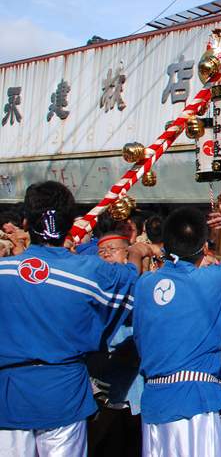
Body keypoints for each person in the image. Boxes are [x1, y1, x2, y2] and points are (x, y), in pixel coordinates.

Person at [0, 181, 139, 456]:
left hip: (10, 394)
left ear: (25, 222)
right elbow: (130, 278)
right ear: (69, 225)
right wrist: (136, 252)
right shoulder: (90, 271)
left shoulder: (3, 271)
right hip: (63, 392)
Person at [132, 205, 221, 457]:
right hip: (193, 401)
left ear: (165, 245)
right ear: (204, 248)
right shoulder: (211, 280)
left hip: (154, 399)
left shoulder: (144, 284)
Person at [87, 225, 145, 457]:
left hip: (134, 371)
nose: (106, 255)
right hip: (103, 369)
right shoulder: (94, 283)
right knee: (99, 431)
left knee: (135, 434)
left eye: (112, 249)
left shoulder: (142, 282)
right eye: (101, 251)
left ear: (127, 253)